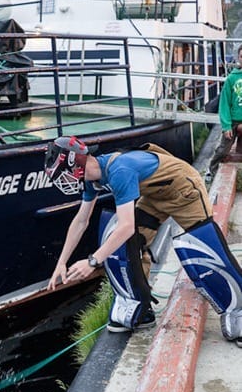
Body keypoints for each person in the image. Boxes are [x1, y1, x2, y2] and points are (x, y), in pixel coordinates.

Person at [44, 135, 242, 347]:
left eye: (63, 175)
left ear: (76, 165)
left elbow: (126, 226)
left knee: (204, 247)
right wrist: (61, 263)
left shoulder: (119, 170)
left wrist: (93, 261)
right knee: (125, 244)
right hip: (155, 195)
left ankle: (238, 311)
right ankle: (139, 306)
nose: (63, 182)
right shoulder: (93, 180)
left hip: (183, 189)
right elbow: (81, 221)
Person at [206, 45, 242, 182]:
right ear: (239, 58)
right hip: (233, 121)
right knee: (222, 150)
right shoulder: (231, 79)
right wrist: (226, 126)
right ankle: (211, 170)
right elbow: (224, 104)